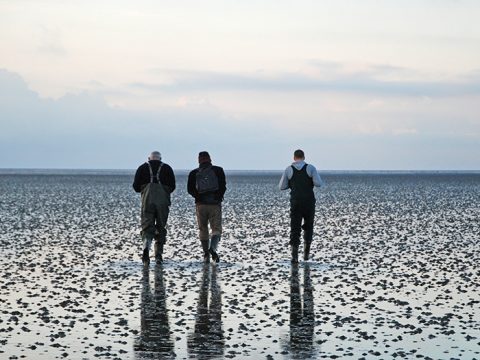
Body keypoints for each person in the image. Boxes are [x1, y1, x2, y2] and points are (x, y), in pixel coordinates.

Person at [279, 149, 323, 263]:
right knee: (309, 226)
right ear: (304, 157)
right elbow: (319, 184)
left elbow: (281, 186)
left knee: (295, 228)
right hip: (309, 202)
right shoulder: (311, 168)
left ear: (294, 158)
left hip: (295, 202)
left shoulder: (289, 169)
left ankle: (294, 257)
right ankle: (306, 255)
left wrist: (291, 184)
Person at [133, 151, 176, 266]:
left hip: (147, 201)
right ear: (160, 159)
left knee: (147, 227)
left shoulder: (142, 168)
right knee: (161, 227)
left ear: (149, 158)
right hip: (162, 202)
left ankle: (146, 248)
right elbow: (173, 186)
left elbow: (136, 187)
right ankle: (158, 256)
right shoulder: (167, 168)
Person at [187, 151, 226, 263]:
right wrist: (218, 197)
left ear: (199, 160)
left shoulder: (193, 173)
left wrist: (198, 197)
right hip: (214, 205)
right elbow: (223, 186)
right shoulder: (218, 170)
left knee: (203, 229)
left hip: (201, 205)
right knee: (216, 229)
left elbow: (190, 189)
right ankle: (212, 249)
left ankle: (205, 254)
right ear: (210, 159)